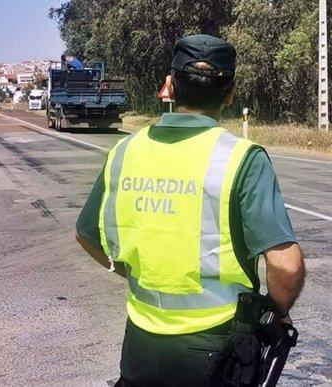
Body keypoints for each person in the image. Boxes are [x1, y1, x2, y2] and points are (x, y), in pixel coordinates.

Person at [74, 34, 305, 386]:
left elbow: (86, 235)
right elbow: (286, 266)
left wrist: (137, 276)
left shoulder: (124, 151)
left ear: (170, 86)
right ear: (231, 93)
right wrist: (275, 313)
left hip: (140, 346)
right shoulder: (242, 158)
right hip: (218, 350)